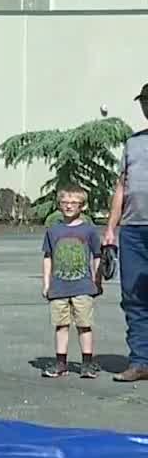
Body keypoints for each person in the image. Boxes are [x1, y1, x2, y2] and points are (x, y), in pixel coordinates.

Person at [102, 83, 148, 382]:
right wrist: (110, 229)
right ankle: (141, 361)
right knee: (134, 297)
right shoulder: (133, 143)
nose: (146, 106)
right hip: (132, 230)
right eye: (144, 101)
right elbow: (122, 186)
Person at [41, 185, 103, 379]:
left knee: (84, 325)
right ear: (59, 205)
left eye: (73, 203)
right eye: (64, 202)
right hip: (59, 287)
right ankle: (61, 363)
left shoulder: (89, 230)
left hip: (83, 286)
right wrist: (46, 283)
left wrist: (97, 280)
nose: (68, 206)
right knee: (61, 325)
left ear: (82, 206)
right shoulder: (53, 230)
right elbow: (47, 257)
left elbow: (97, 255)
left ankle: (87, 363)